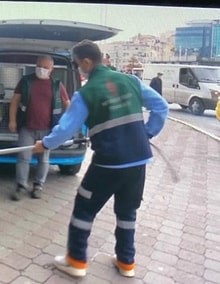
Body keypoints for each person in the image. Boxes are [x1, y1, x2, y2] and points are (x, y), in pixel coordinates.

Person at [32, 40, 168, 278]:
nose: (77, 69)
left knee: (84, 208)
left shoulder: (87, 93)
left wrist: (45, 144)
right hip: (138, 162)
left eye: (77, 64)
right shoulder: (131, 81)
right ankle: (126, 263)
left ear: (87, 61)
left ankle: (76, 261)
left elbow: (66, 129)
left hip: (109, 163)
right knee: (127, 212)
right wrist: (146, 133)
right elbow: (162, 107)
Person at [8, 55, 70, 201]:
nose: (41, 69)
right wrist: (12, 121)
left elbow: (68, 104)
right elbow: (15, 101)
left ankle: (38, 185)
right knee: (24, 157)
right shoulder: (26, 81)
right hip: (27, 127)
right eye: (39, 66)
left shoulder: (57, 85)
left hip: (48, 129)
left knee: (43, 159)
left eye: (45, 67)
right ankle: (21, 186)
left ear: (51, 69)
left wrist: (65, 125)